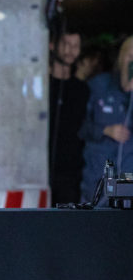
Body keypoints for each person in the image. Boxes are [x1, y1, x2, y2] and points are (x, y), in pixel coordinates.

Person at [80, 35, 133, 202]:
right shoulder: (98, 86)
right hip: (97, 179)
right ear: (120, 59)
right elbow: (78, 127)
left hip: (128, 181)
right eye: (130, 56)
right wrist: (105, 130)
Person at [48, 28, 89, 205]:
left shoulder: (82, 89)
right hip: (41, 167)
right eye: (66, 44)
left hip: (71, 171)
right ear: (52, 45)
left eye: (75, 46)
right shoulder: (42, 85)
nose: (70, 50)